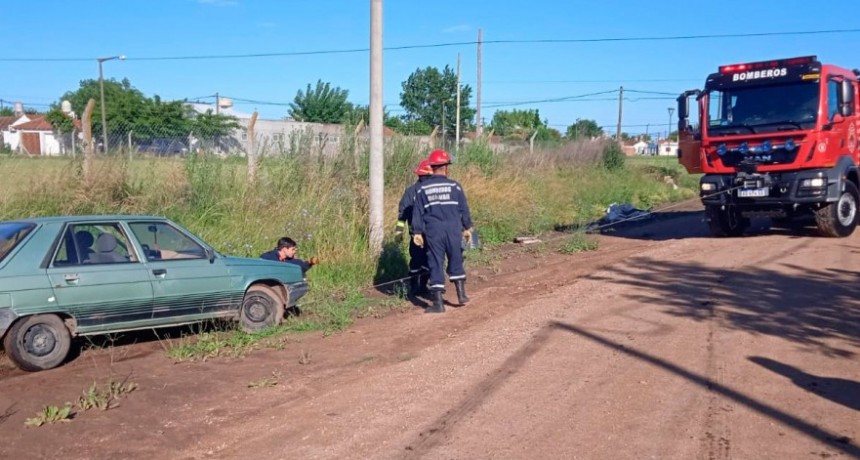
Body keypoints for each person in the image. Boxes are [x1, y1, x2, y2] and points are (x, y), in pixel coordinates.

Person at [411, 149, 473, 313]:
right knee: (456, 257)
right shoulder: (455, 186)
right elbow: (464, 209)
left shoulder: (422, 189)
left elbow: (418, 212)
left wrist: (417, 232)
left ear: (431, 167)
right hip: (453, 229)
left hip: (434, 231)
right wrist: (467, 227)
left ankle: (438, 304)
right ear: (446, 167)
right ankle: (461, 295)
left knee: (435, 262)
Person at [395, 159, 433, 296]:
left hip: (421, 234)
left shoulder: (411, 191)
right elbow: (403, 214)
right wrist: (399, 232)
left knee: (420, 261)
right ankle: (417, 286)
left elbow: (402, 215)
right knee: (423, 261)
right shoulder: (413, 192)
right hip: (424, 235)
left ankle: (419, 287)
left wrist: (399, 232)